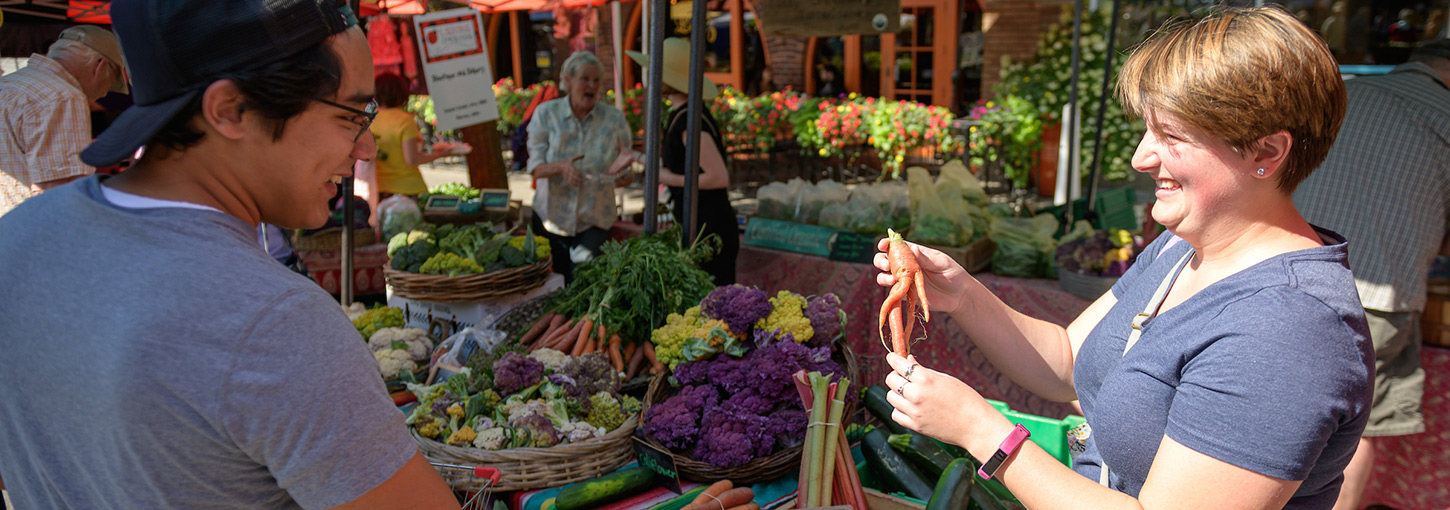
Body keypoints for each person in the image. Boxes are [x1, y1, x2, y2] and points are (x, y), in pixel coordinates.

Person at [875, 8, 1372, 509]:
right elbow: (1067, 361)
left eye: (1171, 136)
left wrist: (982, 431)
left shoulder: (1288, 330)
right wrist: (964, 296)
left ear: (1266, 151)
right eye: (1147, 129)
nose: (1140, 157)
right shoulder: (1183, 246)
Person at [0, 1, 460, 508]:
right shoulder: (274, 321)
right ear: (230, 110)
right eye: (352, 114)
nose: (367, 148)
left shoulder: (18, 238)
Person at [1293, 38, 1450, 510]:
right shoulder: (1445, 118)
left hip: (1288, 274)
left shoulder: (1347, 95)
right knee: (1355, 430)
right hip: (1379, 295)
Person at [626, 37, 740, 285]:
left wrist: (665, 177)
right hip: (700, 222)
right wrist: (636, 158)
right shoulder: (684, 114)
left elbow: (718, 177)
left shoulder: (689, 118)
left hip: (708, 227)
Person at [526, 50, 633, 282]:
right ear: (568, 81)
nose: (591, 85)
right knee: (554, 283)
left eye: (596, 80)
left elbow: (625, 169)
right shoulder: (546, 114)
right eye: (585, 78)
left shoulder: (614, 119)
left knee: (582, 278)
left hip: (594, 219)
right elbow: (535, 167)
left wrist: (624, 174)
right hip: (550, 218)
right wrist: (561, 167)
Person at [0, 25, 128, 217]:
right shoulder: (64, 96)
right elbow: (61, 189)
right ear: (100, 66)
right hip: (34, 231)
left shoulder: (9, 84)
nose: (102, 94)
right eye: (111, 83)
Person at [368, 72, 468, 198]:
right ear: (403, 93)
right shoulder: (404, 120)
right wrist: (442, 154)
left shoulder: (369, 120)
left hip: (377, 188)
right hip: (407, 189)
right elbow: (412, 160)